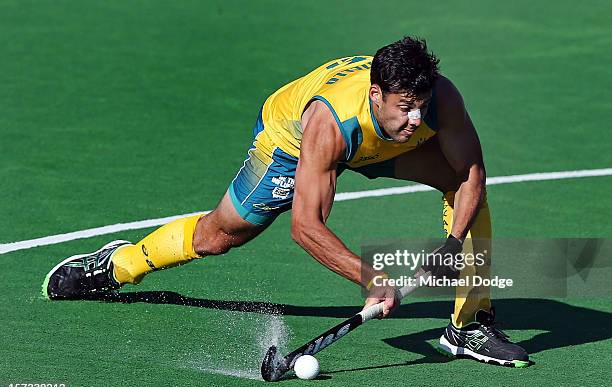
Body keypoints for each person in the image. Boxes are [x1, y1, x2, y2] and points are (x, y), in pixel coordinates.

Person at [42, 36, 529, 367]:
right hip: (293, 141)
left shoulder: (438, 100)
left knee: (467, 196)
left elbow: (471, 174)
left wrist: (452, 242)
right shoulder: (328, 121)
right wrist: (372, 277)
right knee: (220, 236)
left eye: (421, 105)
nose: (416, 118)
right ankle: (120, 264)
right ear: (377, 95)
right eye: (405, 107)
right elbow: (306, 226)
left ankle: (469, 325)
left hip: (373, 145)